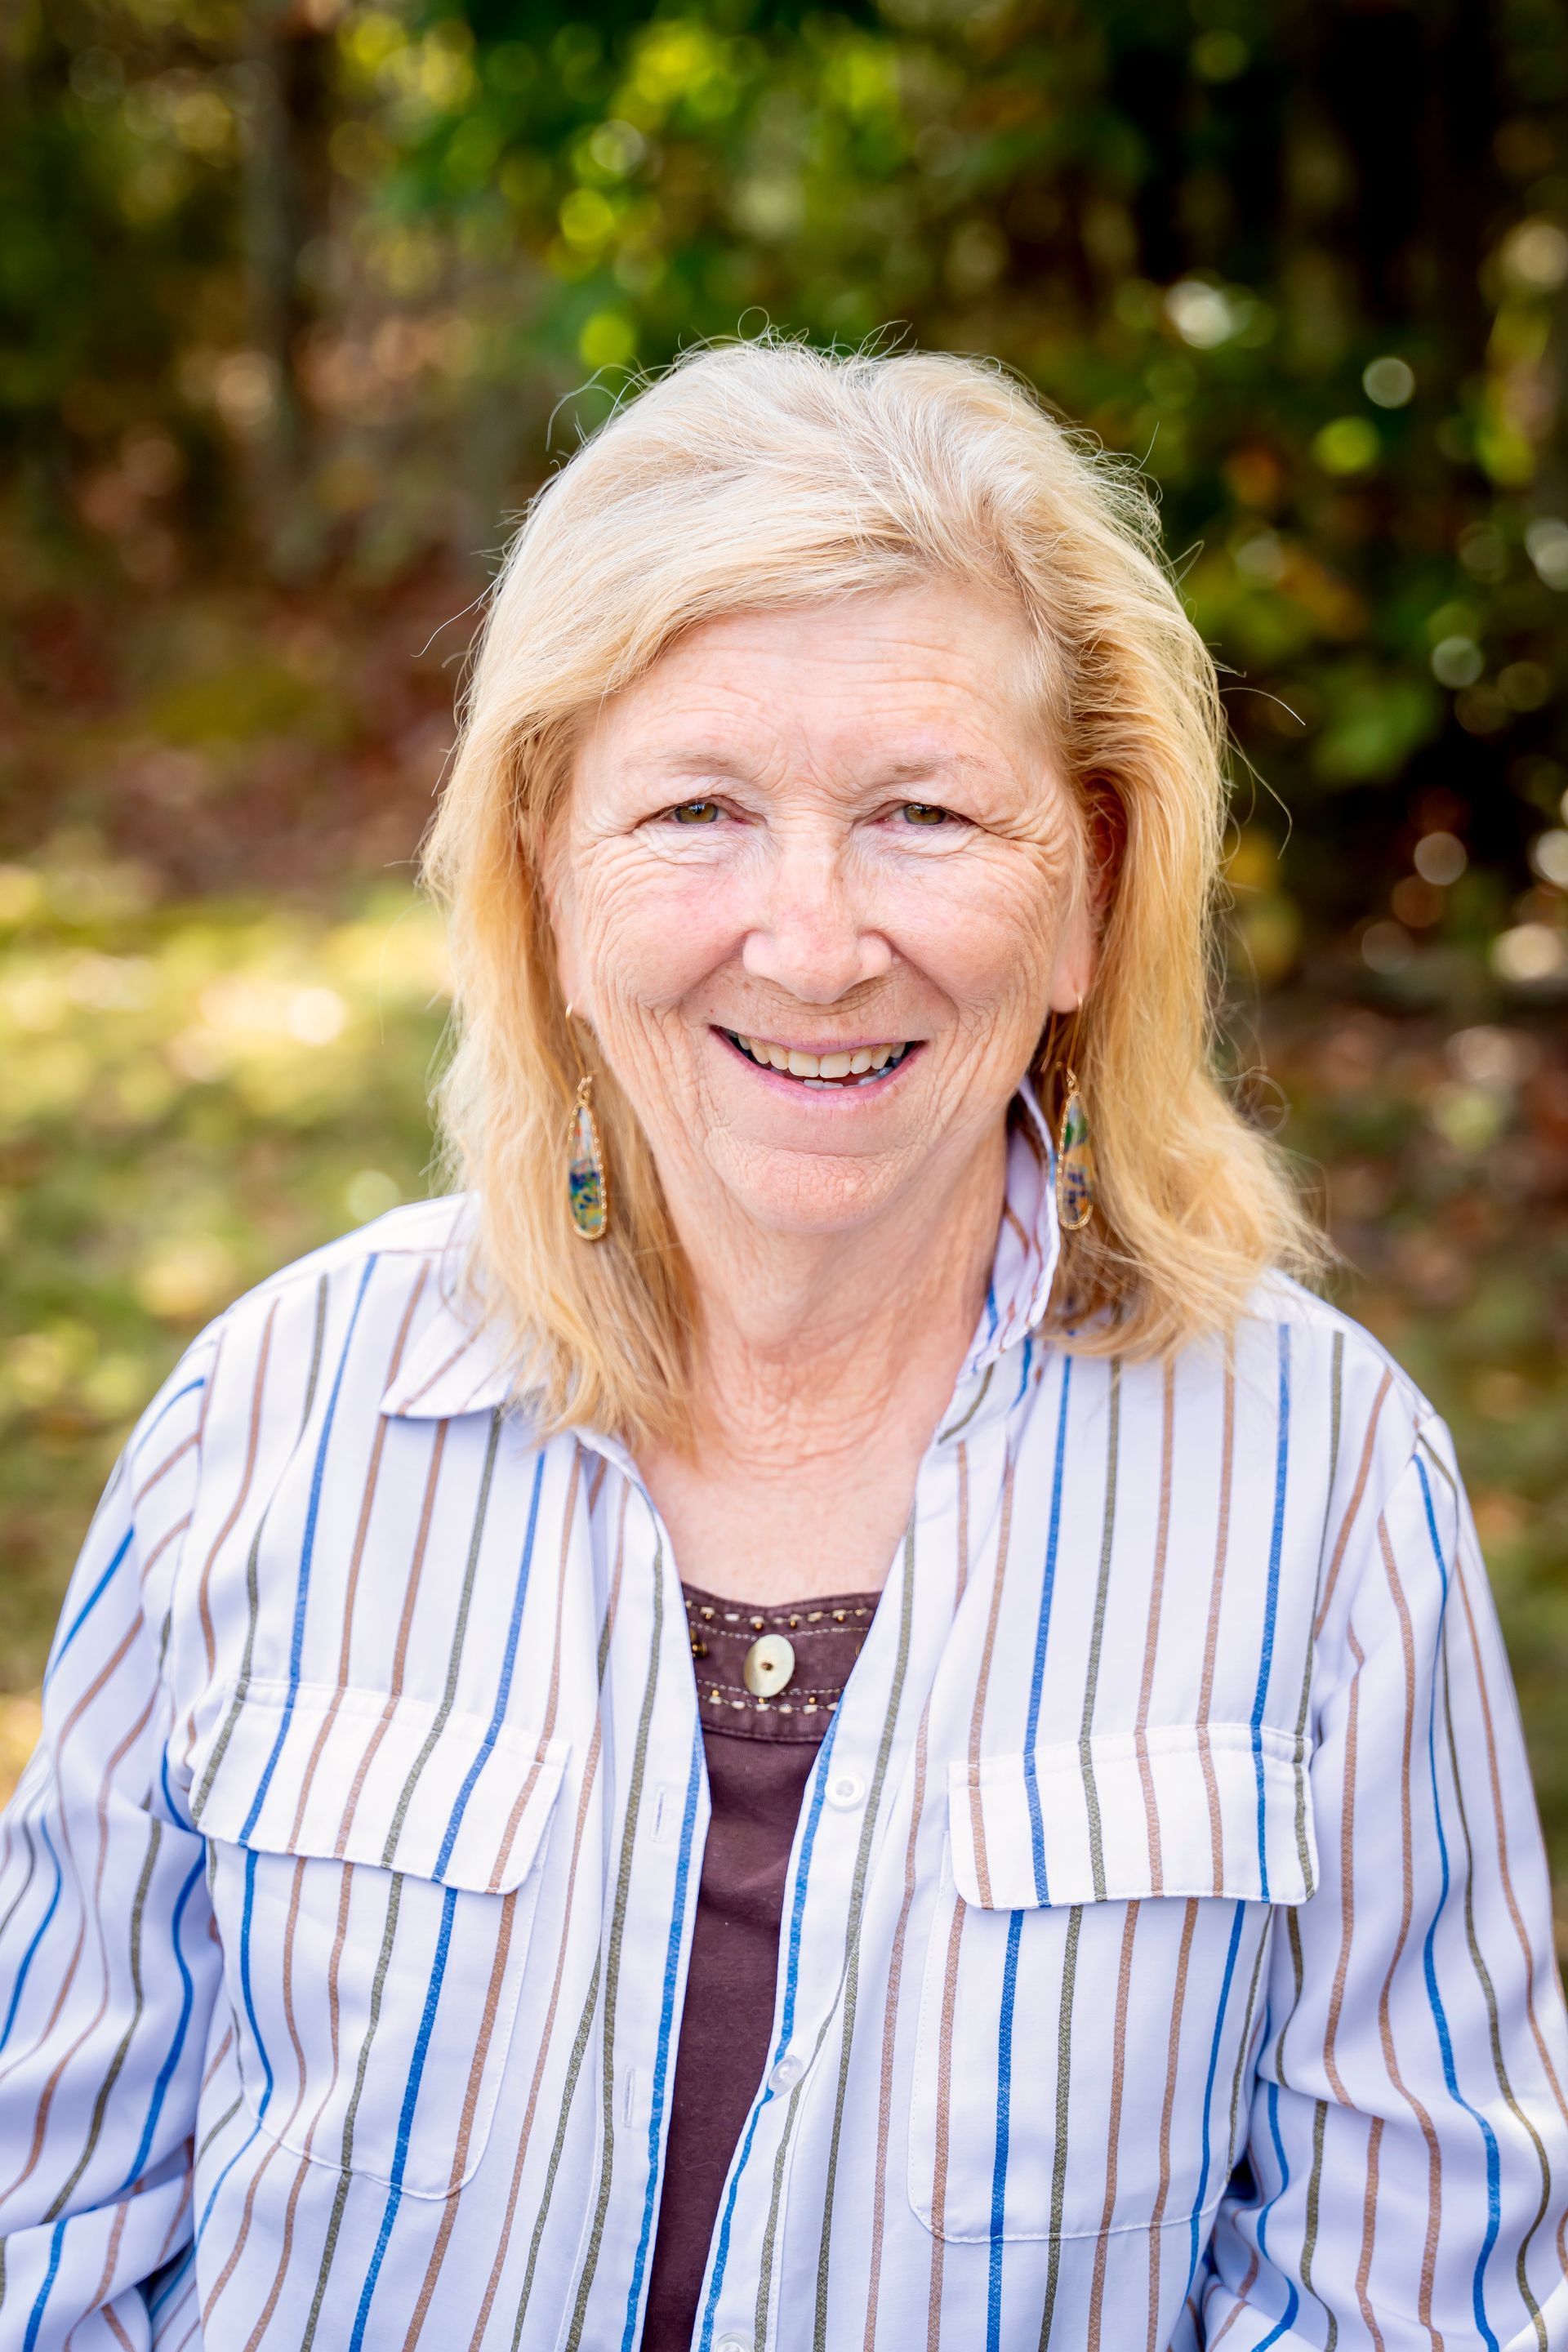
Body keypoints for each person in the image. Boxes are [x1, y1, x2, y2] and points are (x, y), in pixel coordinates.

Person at [1, 340, 1564, 2352]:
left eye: (923, 813)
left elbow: (1415, 2306)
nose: (815, 941)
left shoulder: (1326, 1486)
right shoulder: (266, 1429)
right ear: (548, 873)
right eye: (699, 810)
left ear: (1091, 894)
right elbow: (48, 2251)